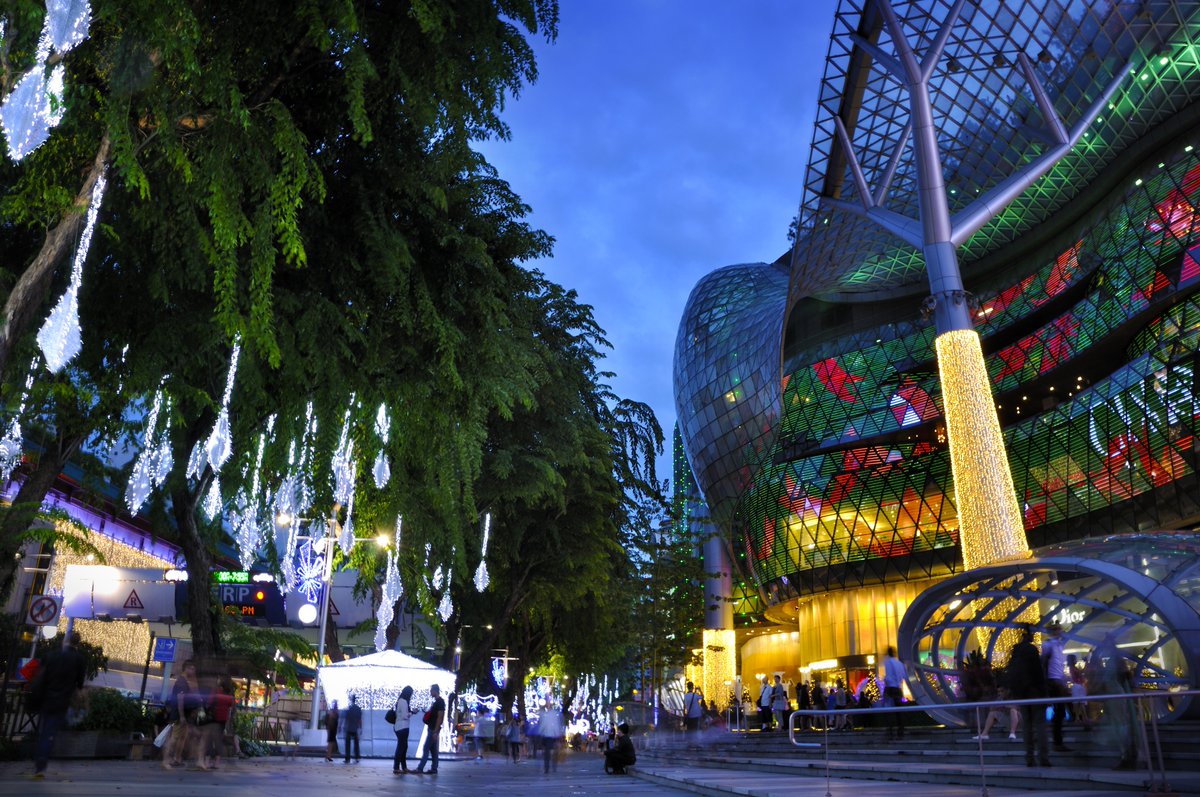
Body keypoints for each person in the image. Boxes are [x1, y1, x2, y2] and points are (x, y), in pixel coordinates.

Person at [30, 631, 88, 779]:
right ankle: (41, 765)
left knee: (43, 730)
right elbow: (80, 683)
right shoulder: (79, 659)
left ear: (64, 641)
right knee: (49, 732)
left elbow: (40, 676)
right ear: (78, 643)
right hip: (62, 700)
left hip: (45, 698)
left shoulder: (51, 656)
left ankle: (38, 760)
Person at [1008, 625, 1051, 768]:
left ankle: (1029, 758)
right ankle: (1043, 758)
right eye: (1032, 633)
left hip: (1022, 693)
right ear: (1027, 635)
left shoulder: (1016, 651)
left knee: (1027, 725)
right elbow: (1038, 672)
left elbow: (1011, 673)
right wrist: (1044, 692)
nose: (1033, 635)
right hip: (1035, 692)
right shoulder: (1032, 650)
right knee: (1040, 724)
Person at [163, 659, 201, 768]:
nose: (193, 671)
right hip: (179, 714)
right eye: (192, 669)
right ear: (186, 669)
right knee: (175, 737)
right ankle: (166, 760)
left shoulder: (185, 682)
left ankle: (177, 758)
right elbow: (180, 699)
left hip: (184, 714)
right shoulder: (181, 682)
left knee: (182, 737)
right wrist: (182, 716)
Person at [1041, 623, 1071, 752]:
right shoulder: (1048, 645)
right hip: (1053, 681)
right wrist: (1048, 682)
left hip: (1058, 681)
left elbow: (1058, 665)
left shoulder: (1059, 645)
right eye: (1057, 630)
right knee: (1059, 710)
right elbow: (1044, 663)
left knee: (1061, 711)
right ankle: (1057, 742)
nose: (1060, 632)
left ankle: (1057, 740)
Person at [415, 683, 445, 774]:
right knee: (433, 750)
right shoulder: (436, 702)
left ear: (435, 691)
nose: (430, 692)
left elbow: (440, 717)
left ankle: (420, 768)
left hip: (433, 729)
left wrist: (435, 731)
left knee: (426, 748)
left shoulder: (440, 702)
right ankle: (434, 769)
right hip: (432, 728)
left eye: (431, 691)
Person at [883, 646, 908, 739]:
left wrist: (886, 684)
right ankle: (900, 730)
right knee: (899, 711)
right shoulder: (900, 663)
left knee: (888, 710)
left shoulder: (888, 662)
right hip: (898, 688)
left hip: (890, 688)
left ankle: (890, 731)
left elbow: (888, 676)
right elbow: (904, 676)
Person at [392, 685, 415, 774]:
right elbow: (405, 716)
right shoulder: (404, 702)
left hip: (399, 727)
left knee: (403, 747)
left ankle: (403, 767)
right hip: (403, 727)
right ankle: (397, 767)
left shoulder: (400, 701)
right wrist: (412, 712)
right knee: (401, 747)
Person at [537, 701, 564, 774]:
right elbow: (557, 725)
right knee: (549, 752)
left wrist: (540, 732)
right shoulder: (551, 714)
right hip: (550, 735)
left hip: (550, 735)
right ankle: (549, 766)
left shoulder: (547, 714)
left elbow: (543, 725)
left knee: (548, 752)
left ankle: (548, 767)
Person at [342, 694, 362, 763]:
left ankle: (347, 758)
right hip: (355, 728)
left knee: (348, 744)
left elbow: (346, 719)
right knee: (356, 744)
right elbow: (359, 720)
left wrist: (343, 726)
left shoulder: (349, 708)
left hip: (349, 728)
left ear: (351, 700)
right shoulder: (358, 709)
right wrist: (360, 728)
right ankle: (357, 757)